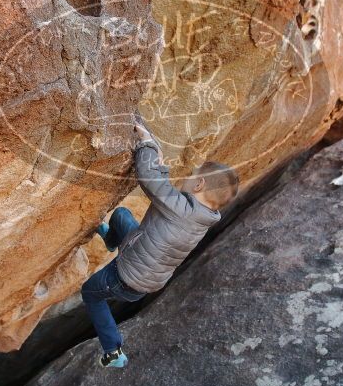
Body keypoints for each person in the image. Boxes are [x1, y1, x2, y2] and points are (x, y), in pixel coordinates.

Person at [81, 124, 239, 368]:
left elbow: (149, 177)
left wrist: (148, 144)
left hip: (127, 278)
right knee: (122, 215)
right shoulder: (203, 218)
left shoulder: (181, 209)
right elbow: (164, 187)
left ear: (198, 185)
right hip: (146, 268)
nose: (187, 179)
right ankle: (112, 241)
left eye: (192, 177)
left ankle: (112, 350)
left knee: (91, 294)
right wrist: (161, 165)